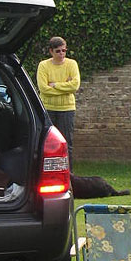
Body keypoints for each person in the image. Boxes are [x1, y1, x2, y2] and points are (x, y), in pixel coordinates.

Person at [37, 36, 81, 167]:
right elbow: (43, 89)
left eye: (64, 50)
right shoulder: (43, 65)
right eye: (58, 51)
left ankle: (69, 175)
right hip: (48, 108)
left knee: (67, 143)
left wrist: (55, 85)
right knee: (47, 143)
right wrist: (65, 87)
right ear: (51, 51)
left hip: (67, 109)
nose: (61, 54)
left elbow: (75, 86)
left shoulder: (72, 64)